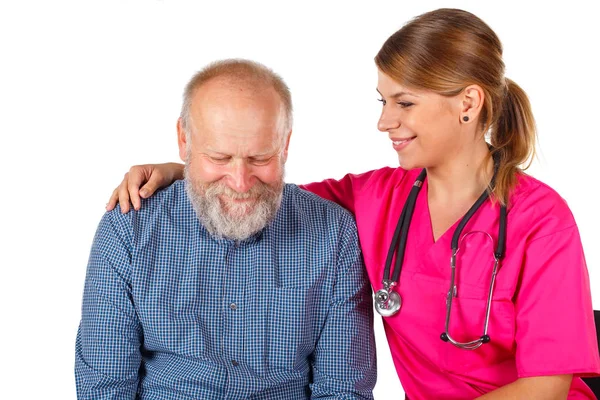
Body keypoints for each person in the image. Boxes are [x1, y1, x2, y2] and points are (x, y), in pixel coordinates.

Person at [107, 8, 600, 399]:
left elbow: (548, 385)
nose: (385, 122)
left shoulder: (542, 221)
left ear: (468, 104)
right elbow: (253, 191)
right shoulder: (375, 198)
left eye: (404, 103)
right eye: (381, 102)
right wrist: (187, 168)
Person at [75, 59, 377, 399]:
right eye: (219, 158)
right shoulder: (129, 227)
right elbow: (105, 387)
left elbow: (342, 389)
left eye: (260, 158)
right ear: (184, 140)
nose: (240, 182)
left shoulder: (334, 234)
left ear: (285, 145)